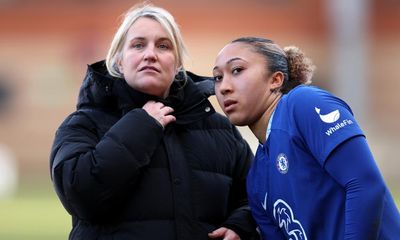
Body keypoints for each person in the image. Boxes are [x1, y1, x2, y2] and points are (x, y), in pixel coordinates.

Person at [49, 5, 259, 240]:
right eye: (138, 45)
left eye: (163, 46)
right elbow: (81, 197)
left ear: (178, 64)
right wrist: (141, 125)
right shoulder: (83, 124)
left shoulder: (220, 130)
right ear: (119, 61)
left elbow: (257, 196)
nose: (151, 54)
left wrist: (240, 225)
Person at [213, 37, 400, 239]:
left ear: (275, 80)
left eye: (237, 70)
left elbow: (365, 184)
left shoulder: (303, 103)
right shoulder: (256, 179)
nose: (224, 87)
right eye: (217, 77)